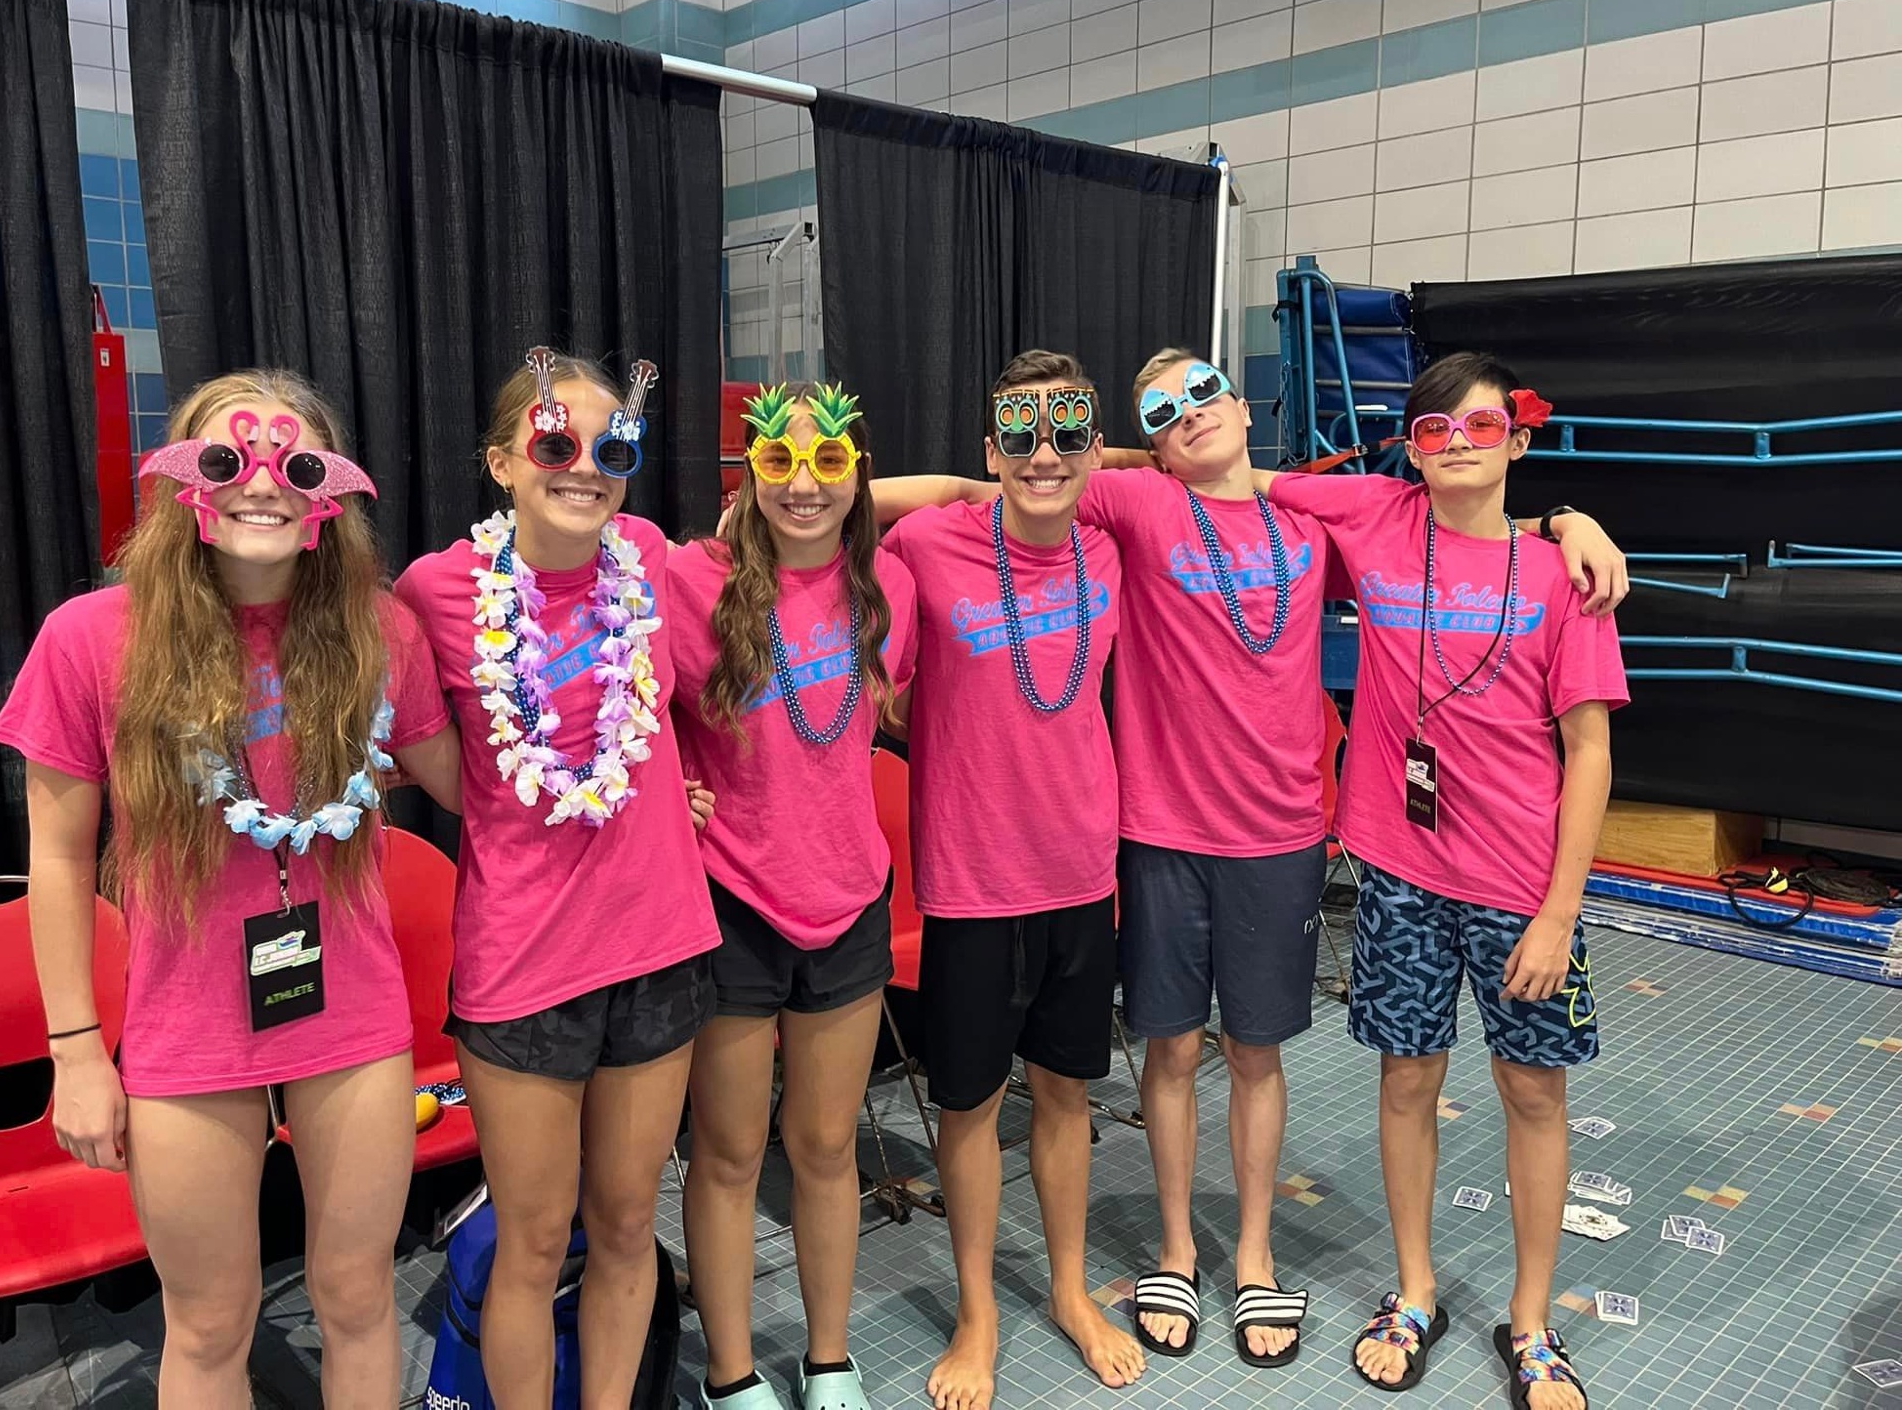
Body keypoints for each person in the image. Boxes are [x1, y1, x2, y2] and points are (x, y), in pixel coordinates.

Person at [874, 350, 1628, 1370]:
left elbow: (1467, 523)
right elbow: (997, 482)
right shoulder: (1138, 505)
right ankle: (1179, 1251)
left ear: (1239, 403)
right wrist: (826, 497)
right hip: (1163, 834)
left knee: (1261, 1055)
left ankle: (1262, 1255)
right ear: (1146, 443)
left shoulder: (1324, 516)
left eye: (1202, 393)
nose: (1186, 413)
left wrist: (1564, 521)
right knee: (1177, 1053)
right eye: (1160, 411)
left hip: (1293, 838)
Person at [0, 370, 461, 1410]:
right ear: (182, 481)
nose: (262, 483)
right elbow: (58, 860)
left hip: (351, 1013)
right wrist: (76, 1051)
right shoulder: (93, 638)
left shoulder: (377, 632)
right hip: (189, 1023)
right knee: (208, 1324)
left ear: (329, 490)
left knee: (358, 1295)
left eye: (295, 464)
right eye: (228, 458)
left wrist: (644, 765)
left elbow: (476, 784)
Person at [1255, 351, 1625, 1410]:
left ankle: (1532, 1320)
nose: (1456, 446)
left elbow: (1590, 754)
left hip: (1521, 888)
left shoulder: (1563, 577)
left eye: (1480, 427)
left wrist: (1558, 913)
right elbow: (1233, 475)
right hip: (1398, 871)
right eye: (1433, 430)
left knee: (1531, 1093)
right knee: (1407, 1079)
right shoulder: (1375, 518)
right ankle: (1414, 1289)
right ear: (1410, 449)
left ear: (1518, 439)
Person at [394, 350, 720, 1410]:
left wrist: (670, 794)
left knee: (626, 1225)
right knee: (534, 1243)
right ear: (501, 461)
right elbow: (437, 764)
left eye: (610, 448)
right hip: (524, 967)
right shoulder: (436, 591)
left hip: (658, 943)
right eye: (553, 442)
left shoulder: (648, 556)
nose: (583, 466)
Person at [881, 350, 1145, 1410]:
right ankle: (977, 1311)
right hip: (971, 880)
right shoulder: (929, 539)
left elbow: (1191, 475)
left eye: (1067, 435)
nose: (1045, 456)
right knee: (969, 1104)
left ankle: (1071, 1291)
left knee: (1068, 1094)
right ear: (988, 451)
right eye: (1019, 438)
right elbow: (836, 504)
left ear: (1095, 448)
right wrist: (962, 484)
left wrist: (1555, 520)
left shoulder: (1110, 545)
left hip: (1081, 870)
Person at [666, 383, 919, 1410]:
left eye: (828, 462)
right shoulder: (690, 580)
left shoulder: (889, 585)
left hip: (848, 897)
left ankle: (827, 1359)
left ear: (859, 472)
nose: (803, 484)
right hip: (731, 903)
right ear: (747, 471)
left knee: (824, 1146)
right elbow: (619, 695)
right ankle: (730, 1374)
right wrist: (666, 787)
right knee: (729, 1153)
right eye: (780, 461)